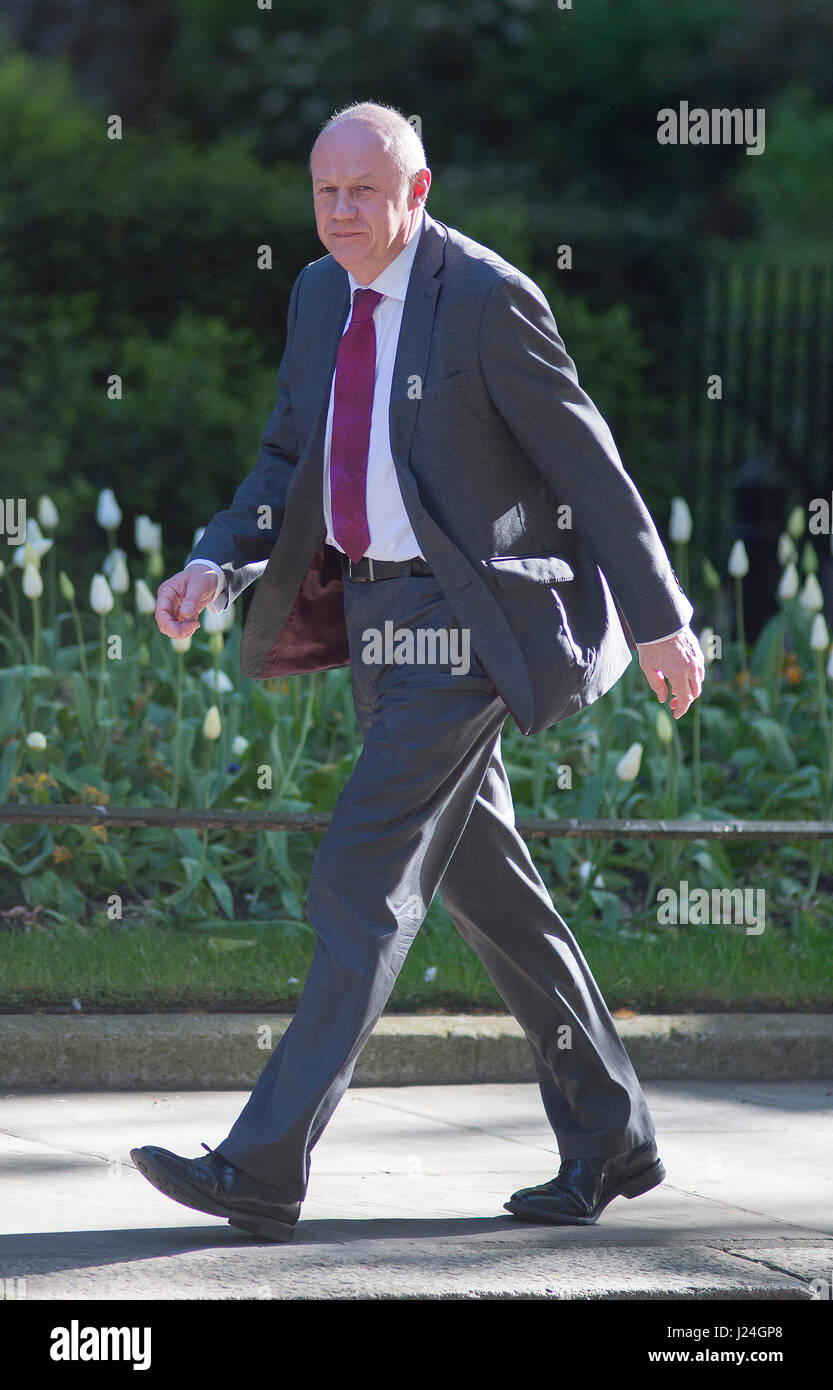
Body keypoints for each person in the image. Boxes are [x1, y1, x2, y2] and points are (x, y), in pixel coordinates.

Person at [134, 101, 705, 1242]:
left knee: (360, 878)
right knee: (485, 883)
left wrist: (660, 618)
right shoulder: (314, 294)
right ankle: (606, 1129)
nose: (340, 212)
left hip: (470, 623)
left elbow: (586, 465)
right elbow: (288, 452)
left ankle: (262, 1163)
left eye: (363, 191)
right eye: (323, 191)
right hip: (377, 616)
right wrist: (214, 559)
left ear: (418, 190)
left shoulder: (487, 300)